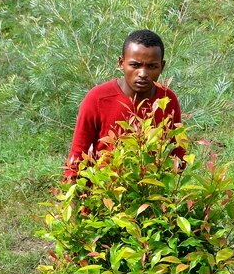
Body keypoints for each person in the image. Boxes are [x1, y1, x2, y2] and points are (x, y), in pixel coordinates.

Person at [64, 29, 183, 180]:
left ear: (162, 66)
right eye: (135, 65)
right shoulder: (98, 98)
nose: (143, 73)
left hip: (151, 196)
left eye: (152, 66)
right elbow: (76, 160)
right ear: (121, 63)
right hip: (102, 196)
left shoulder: (167, 100)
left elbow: (177, 156)